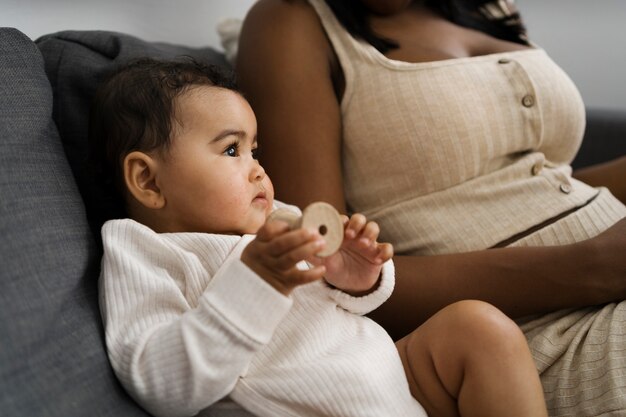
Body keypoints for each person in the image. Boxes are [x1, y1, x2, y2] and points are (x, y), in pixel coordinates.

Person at [90, 58, 548, 417]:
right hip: (300, 406)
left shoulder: (282, 219)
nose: (257, 168)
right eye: (232, 149)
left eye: (255, 149)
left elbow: (344, 309)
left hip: (391, 385)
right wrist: (256, 284)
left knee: (476, 327)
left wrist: (356, 278)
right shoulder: (144, 251)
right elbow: (161, 387)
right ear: (148, 182)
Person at [235, 0, 626, 416]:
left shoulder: (489, 7)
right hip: (528, 339)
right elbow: (324, 275)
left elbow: (536, 180)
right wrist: (590, 268)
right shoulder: (292, 22)